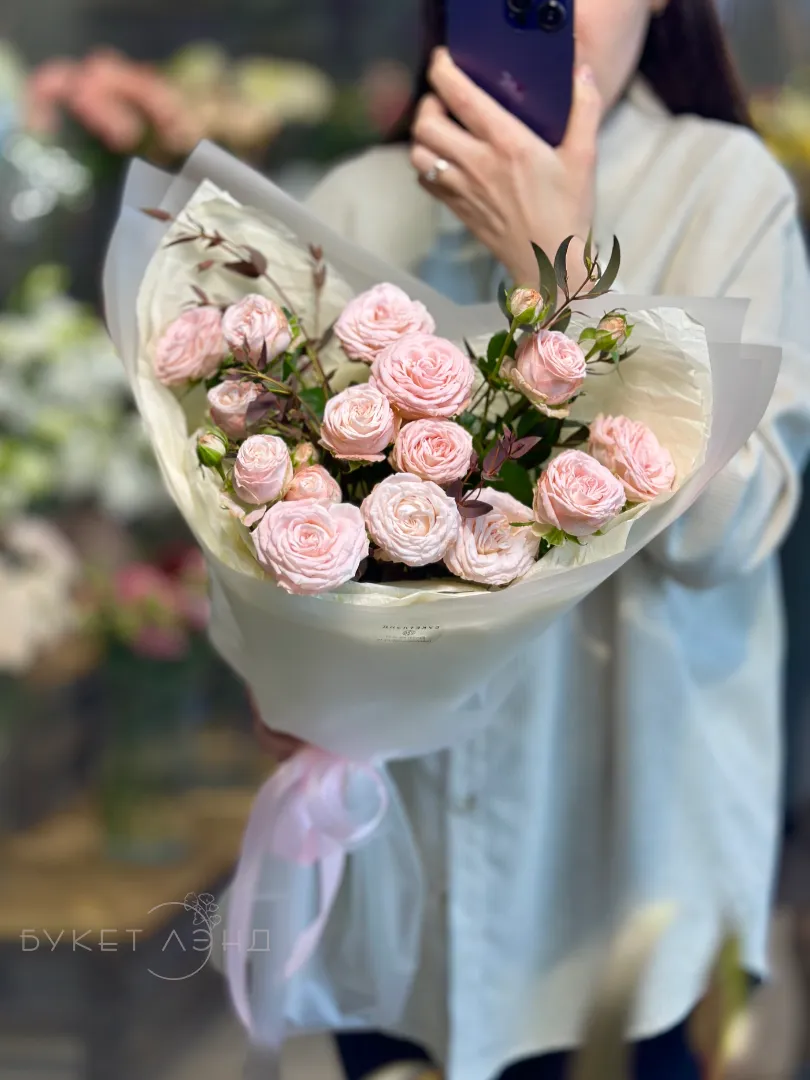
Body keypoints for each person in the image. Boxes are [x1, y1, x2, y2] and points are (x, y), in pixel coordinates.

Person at [258, 1, 810, 1079]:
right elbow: (268, 505)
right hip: (397, 878)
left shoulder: (722, 187)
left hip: (632, 888)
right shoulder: (357, 201)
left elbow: (727, 531)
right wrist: (282, 663)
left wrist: (555, 274)